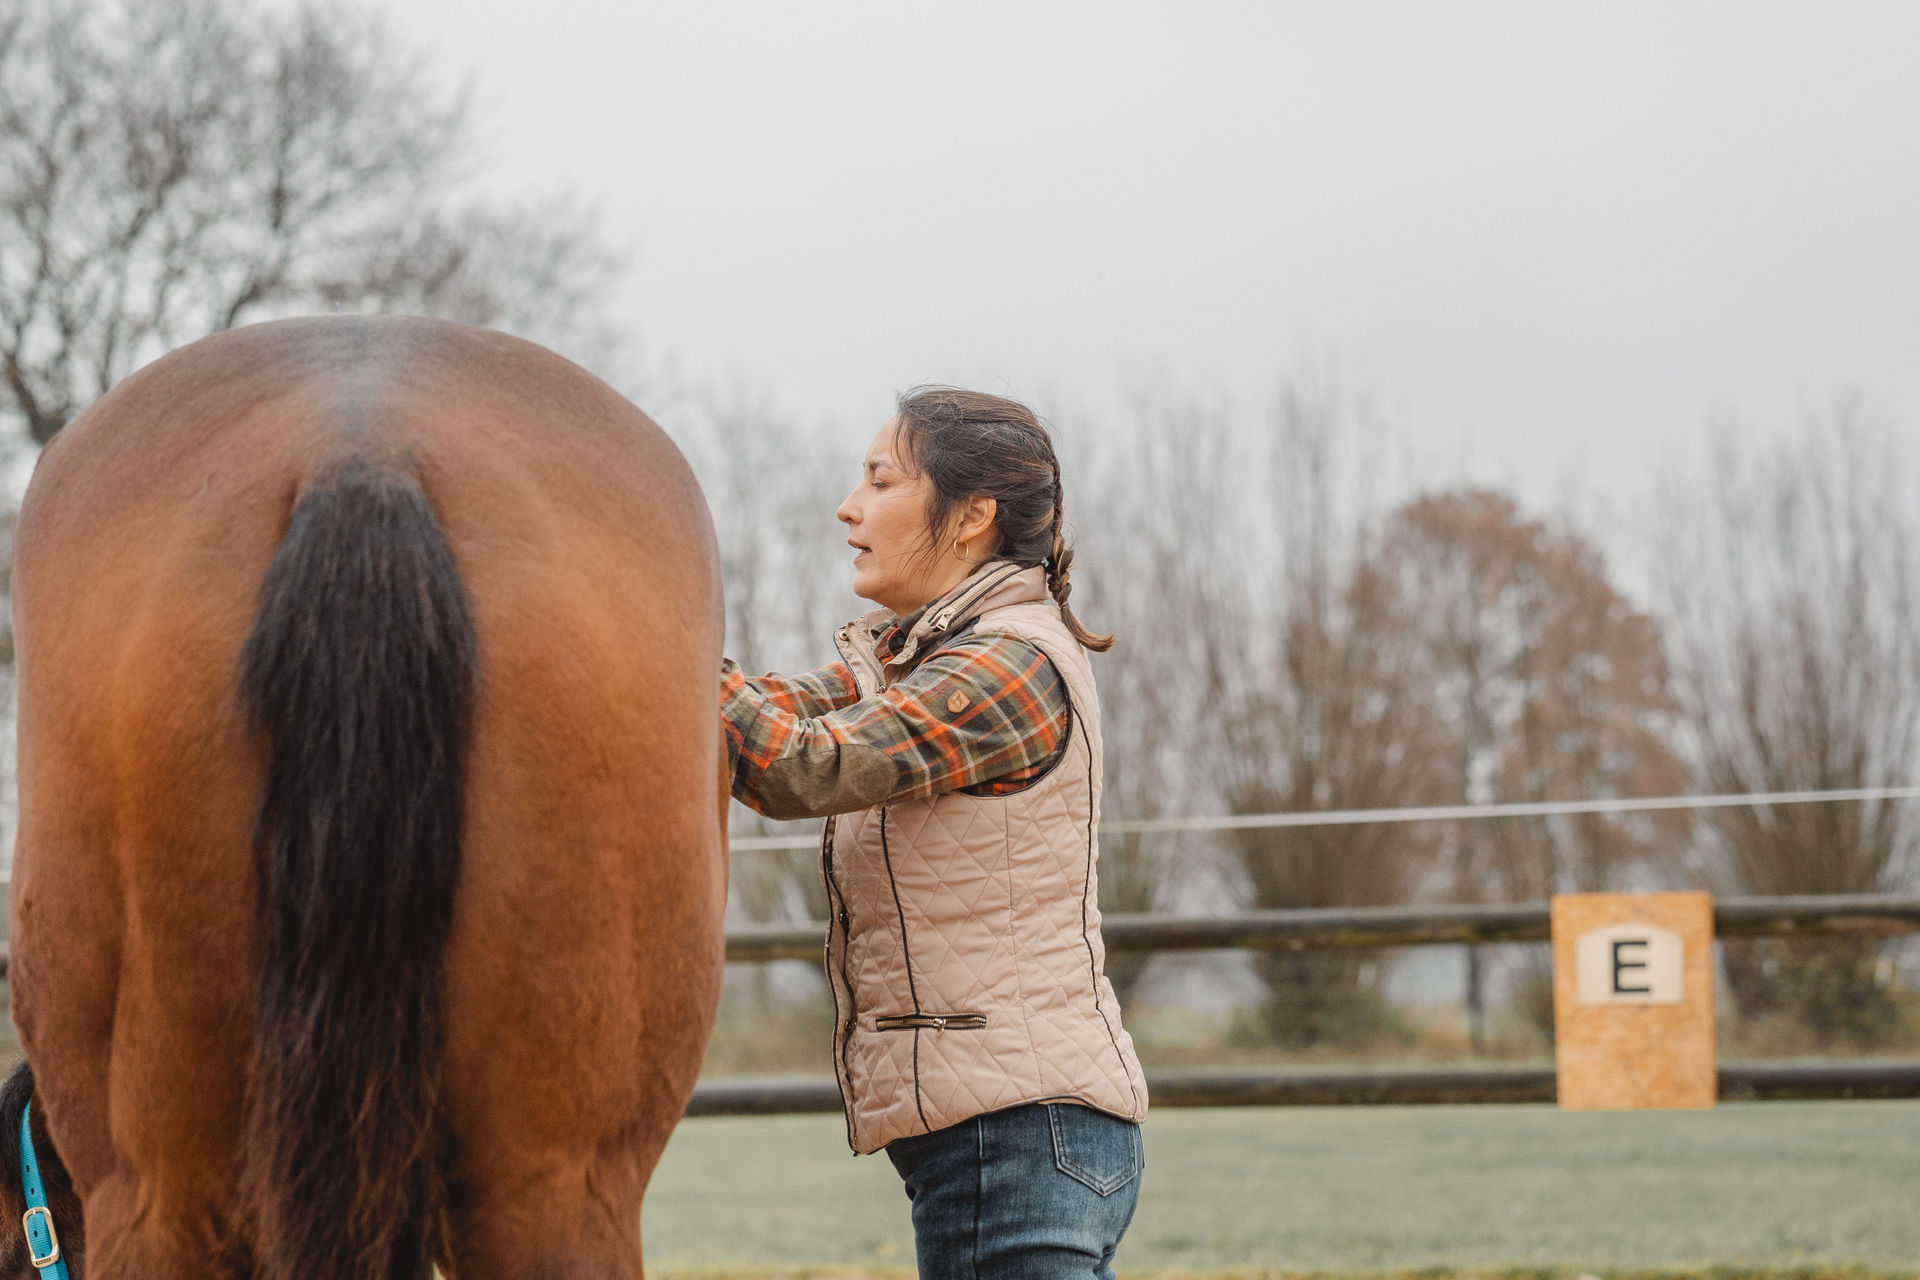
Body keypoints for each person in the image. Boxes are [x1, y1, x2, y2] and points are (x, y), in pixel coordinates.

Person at [720, 387, 1149, 1279]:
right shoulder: (918, 663)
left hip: (1022, 1134)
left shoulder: (1009, 665)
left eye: (881, 480)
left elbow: (799, 766)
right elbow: (768, 714)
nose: (849, 505)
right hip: (1006, 1134)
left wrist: (660, 640)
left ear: (971, 517)